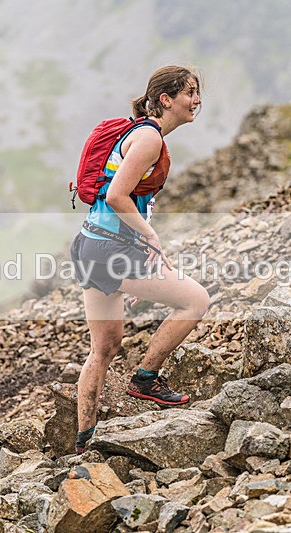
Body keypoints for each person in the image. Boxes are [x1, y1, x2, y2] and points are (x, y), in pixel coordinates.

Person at [69, 65, 210, 454]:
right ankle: (146, 379)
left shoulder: (140, 133)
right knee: (196, 301)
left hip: (91, 245)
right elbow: (117, 195)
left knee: (104, 348)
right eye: (190, 92)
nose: (197, 100)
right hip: (112, 250)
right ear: (166, 99)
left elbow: (126, 199)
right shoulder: (148, 138)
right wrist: (150, 237)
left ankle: (84, 441)